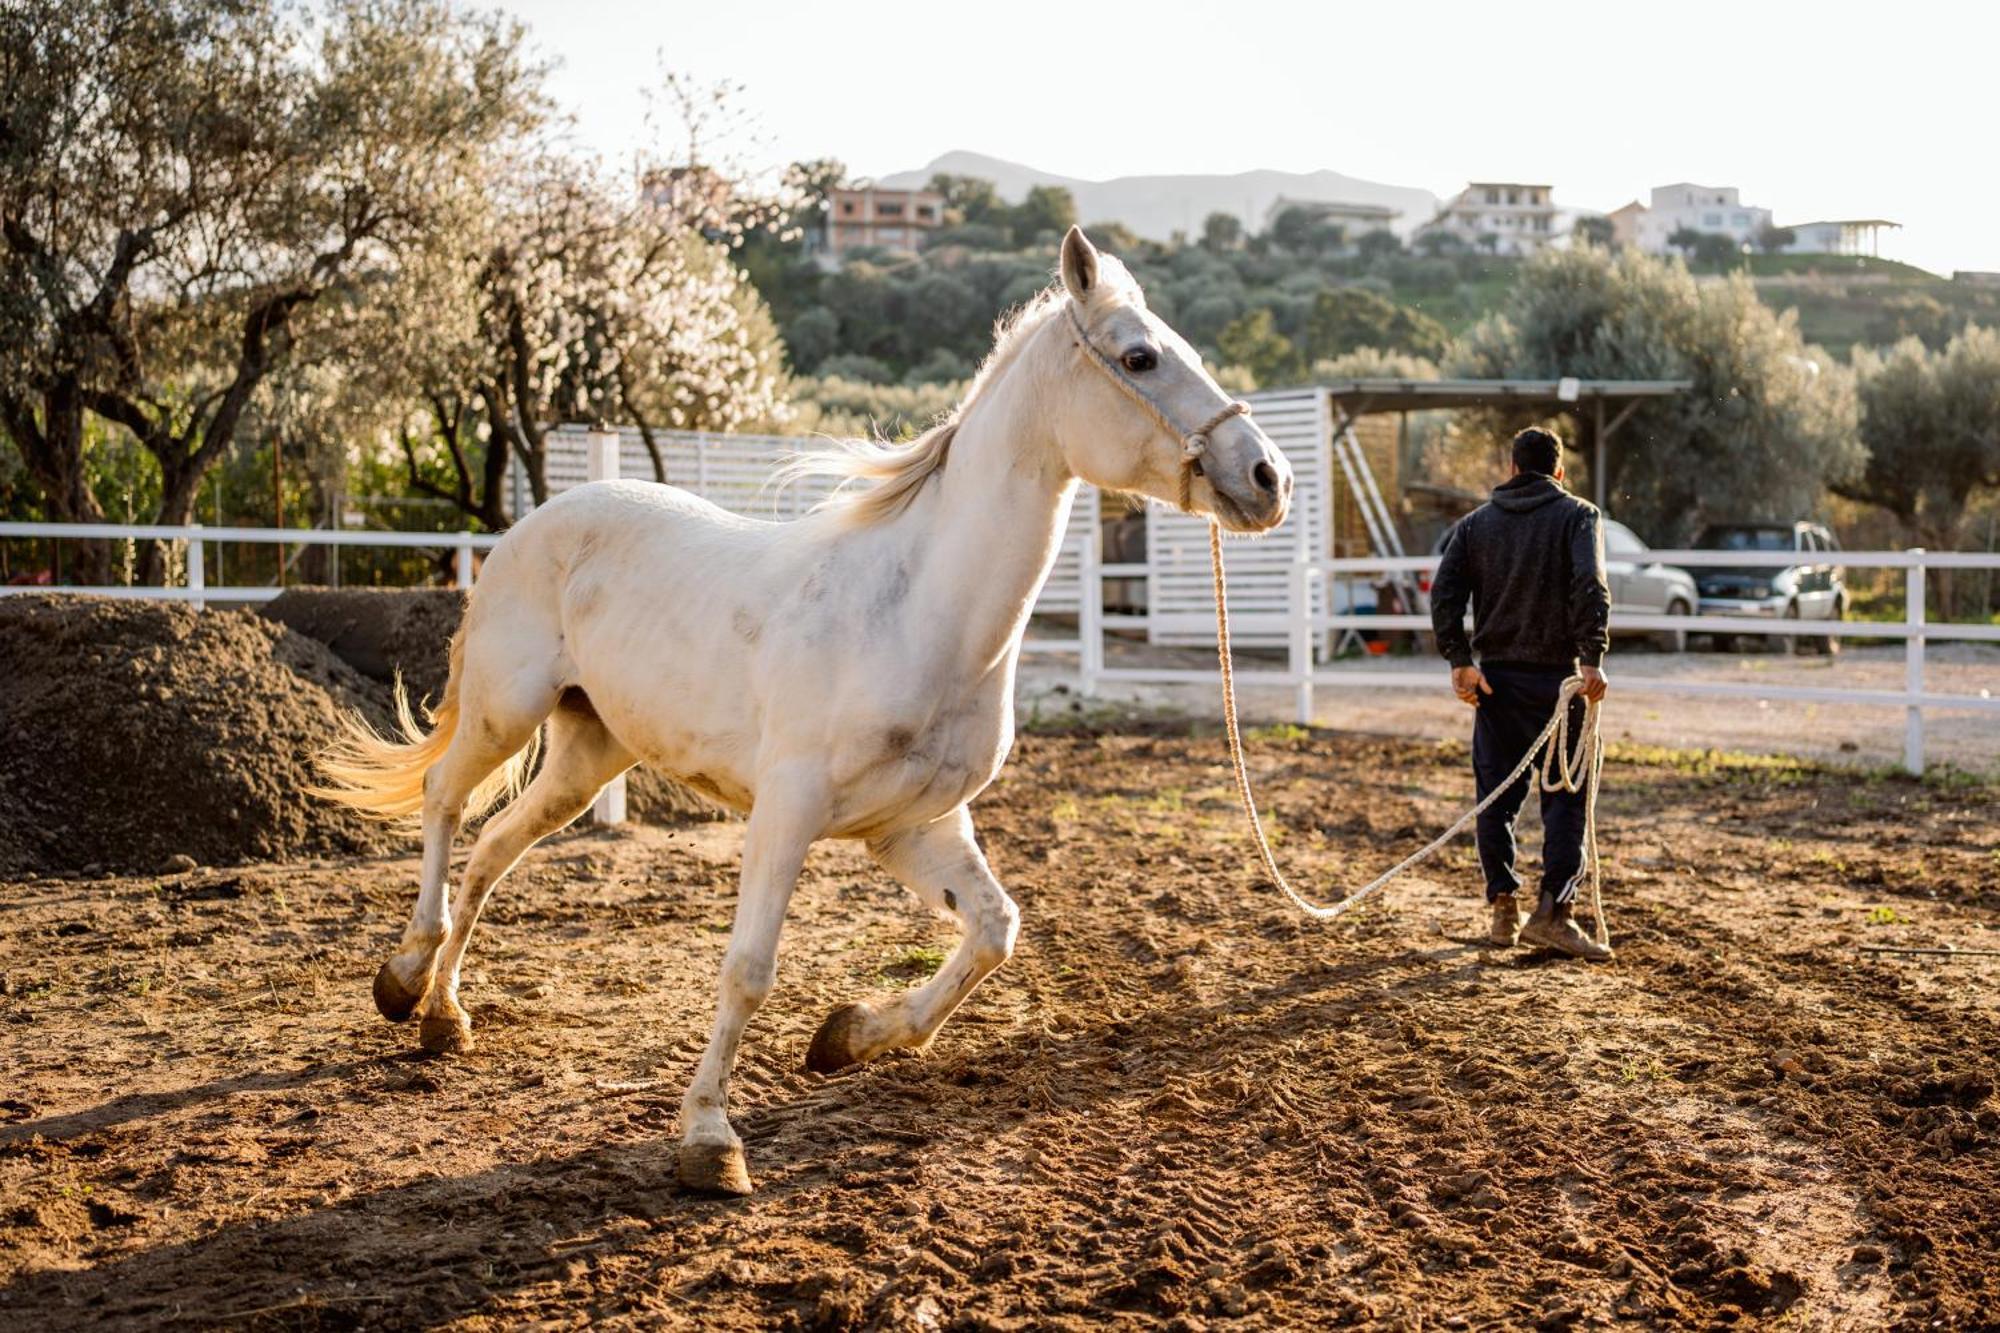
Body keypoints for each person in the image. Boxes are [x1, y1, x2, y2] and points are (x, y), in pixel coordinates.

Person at [1429, 427, 1612, 961]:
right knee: (1567, 795)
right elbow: (1590, 586)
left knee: (1496, 798)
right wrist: (1592, 658)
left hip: (1497, 683)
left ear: (1511, 468)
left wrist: (1460, 662)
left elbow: (1444, 593)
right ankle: (1553, 913)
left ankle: (1503, 907)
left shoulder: (1474, 526)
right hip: (1560, 683)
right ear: (1559, 472)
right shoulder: (1579, 515)